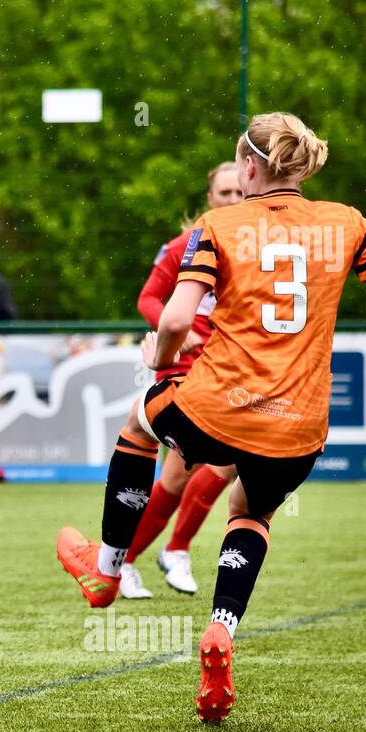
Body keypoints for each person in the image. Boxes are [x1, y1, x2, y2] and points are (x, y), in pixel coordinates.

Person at [55, 112, 366, 721]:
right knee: (251, 511)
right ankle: (222, 629)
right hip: (299, 427)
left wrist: (160, 355)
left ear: (251, 166)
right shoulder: (345, 223)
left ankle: (105, 571)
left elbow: (177, 321)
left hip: (218, 405)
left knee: (138, 423)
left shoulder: (219, 225)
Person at [118, 162, 244, 599]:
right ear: (210, 199)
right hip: (188, 369)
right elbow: (148, 297)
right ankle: (137, 559)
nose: (232, 201)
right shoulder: (184, 246)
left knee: (214, 468)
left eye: (239, 193)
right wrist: (178, 329)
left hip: (229, 371)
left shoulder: (255, 246)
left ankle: (156, 554)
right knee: (187, 473)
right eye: (224, 193)